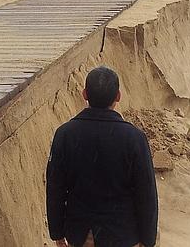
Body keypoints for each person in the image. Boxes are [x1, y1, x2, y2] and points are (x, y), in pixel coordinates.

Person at [46, 66, 158, 247]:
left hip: (81, 234)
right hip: (122, 234)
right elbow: (146, 193)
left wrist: (57, 233)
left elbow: (55, 188)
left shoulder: (65, 134)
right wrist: (148, 240)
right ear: (118, 96)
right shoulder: (134, 138)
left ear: (84, 94)